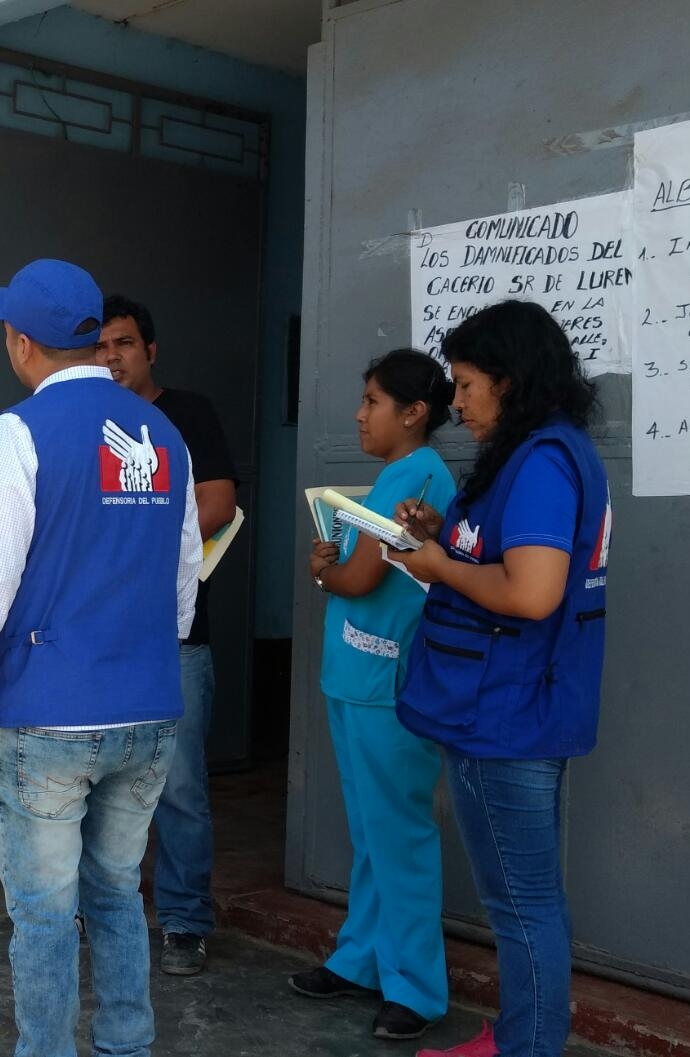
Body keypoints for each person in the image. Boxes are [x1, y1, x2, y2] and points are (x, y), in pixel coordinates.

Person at [0, 258, 202, 1057]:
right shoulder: (165, 434)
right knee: (118, 890)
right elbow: (185, 567)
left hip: (48, 713)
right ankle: (126, 1046)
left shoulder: (22, 431)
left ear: (21, 342)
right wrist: (152, 649)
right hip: (149, 703)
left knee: (46, 914)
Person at [386, 301, 610, 1057]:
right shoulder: (530, 452)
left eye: (470, 383)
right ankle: (518, 1036)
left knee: (523, 907)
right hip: (502, 705)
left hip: (505, 715)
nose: (460, 401)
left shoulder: (544, 460)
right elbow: (497, 553)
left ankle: (528, 1049)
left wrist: (440, 565)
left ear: (511, 383)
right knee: (524, 900)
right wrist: (437, 534)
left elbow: (532, 591)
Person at [288, 350, 456, 1040]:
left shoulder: (418, 475)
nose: (359, 415)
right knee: (371, 832)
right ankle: (362, 957)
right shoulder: (396, 475)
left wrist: (325, 574)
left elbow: (360, 580)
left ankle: (416, 986)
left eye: (373, 402)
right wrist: (335, 567)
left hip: (387, 682)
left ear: (413, 412)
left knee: (400, 833)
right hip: (358, 677)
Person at [94, 294, 237, 976]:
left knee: (178, 785)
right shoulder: (89, 420)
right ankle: (103, 907)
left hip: (176, 634)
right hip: (101, 635)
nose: (111, 356)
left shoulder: (188, 413)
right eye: (100, 347)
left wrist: (141, 548)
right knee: (98, 780)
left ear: (150, 350)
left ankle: (183, 919)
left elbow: (217, 502)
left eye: (123, 343)